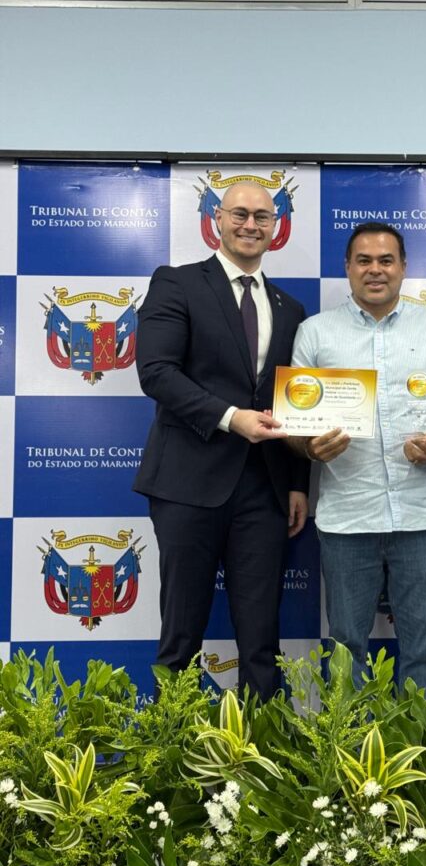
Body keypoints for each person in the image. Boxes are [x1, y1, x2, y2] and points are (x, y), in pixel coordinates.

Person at [134, 182, 309, 699]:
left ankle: (260, 746)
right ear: (217, 219)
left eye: (262, 216)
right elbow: (156, 372)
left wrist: (298, 483)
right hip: (187, 483)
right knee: (181, 636)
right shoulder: (177, 283)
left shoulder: (291, 308)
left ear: (275, 227)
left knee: (261, 642)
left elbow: (296, 403)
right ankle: (171, 744)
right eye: (240, 214)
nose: (250, 225)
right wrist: (232, 418)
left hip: (265, 490)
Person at [289, 221, 426, 694]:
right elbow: (294, 425)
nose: (375, 270)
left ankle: (422, 741)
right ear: (347, 267)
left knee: (423, 650)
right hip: (348, 516)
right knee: (345, 650)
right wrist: (310, 447)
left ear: (403, 267)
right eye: (364, 261)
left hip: (423, 513)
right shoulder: (315, 332)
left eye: (386, 260)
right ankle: (351, 741)